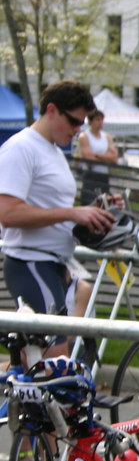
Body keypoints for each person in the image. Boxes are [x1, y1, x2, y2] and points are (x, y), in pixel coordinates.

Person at [0, 80, 118, 359]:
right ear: (51, 110)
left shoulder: (53, 150)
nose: (78, 130)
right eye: (74, 121)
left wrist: (95, 209)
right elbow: (7, 213)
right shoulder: (21, 148)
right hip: (31, 263)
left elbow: (53, 209)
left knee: (36, 362)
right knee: (56, 360)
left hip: (55, 264)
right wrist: (73, 212)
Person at [76, 109, 117, 204]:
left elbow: (114, 157)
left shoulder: (106, 136)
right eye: (97, 119)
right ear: (91, 121)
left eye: (102, 119)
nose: (100, 122)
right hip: (90, 175)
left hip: (104, 176)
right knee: (90, 203)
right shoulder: (84, 136)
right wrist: (106, 157)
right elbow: (88, 157)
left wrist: (98, 155)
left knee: (105, 204)